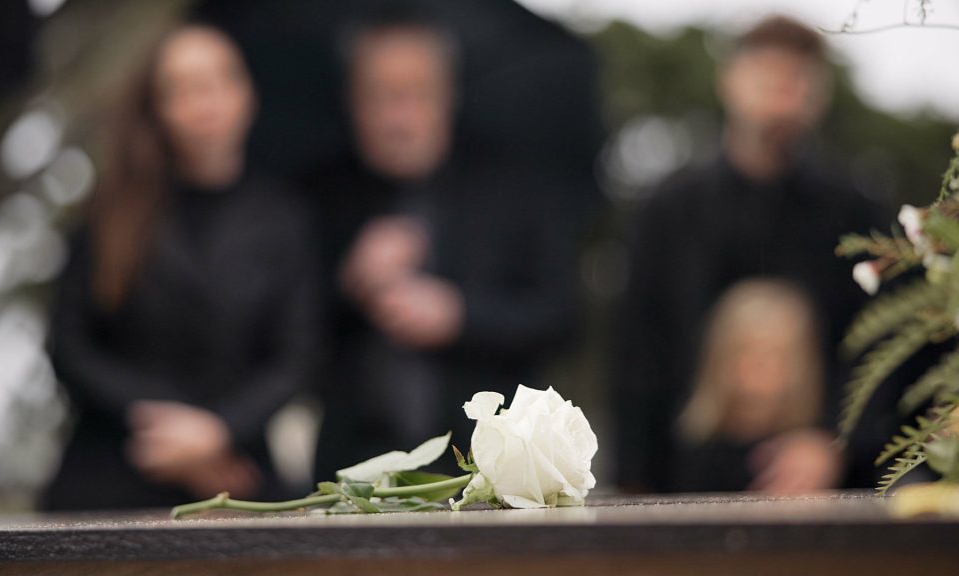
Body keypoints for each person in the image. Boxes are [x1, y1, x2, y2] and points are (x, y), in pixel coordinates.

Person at [43, 24, 319, 510]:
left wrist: (217, 429)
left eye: (219, 81)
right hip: (112, 467)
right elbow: (68, 344)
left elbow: (296, 356)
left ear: (247, 94)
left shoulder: (283, 219)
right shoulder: (110, 211)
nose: (204, 102)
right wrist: (162, 422)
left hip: (234, 474)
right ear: (158, 108)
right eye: (183, 88)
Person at [613, 15, 885, 494]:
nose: (781, 96)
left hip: (824, 487)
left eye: (796, 80)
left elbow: (882, 350)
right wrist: (635, 480)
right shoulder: (666, 213)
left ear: (818, 94)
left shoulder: (857, 214)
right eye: (767, 78)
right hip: (683, 483)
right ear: (730, 81)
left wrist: (835, 443)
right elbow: (637, 355)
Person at [310, 8, 580, 478]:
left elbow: (562, 317)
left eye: (414, 95)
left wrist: (460, 314)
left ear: (447, 96)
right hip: (353, 467)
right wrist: (348, 280)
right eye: (380, 97)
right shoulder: (320, 195)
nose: (398, 118)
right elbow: (282, 341)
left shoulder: (513, 189)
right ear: (351, 101)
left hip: (486, 466)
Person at [671, 279, 825, 493]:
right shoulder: (692, 454)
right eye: (745, 352)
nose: (758, 367)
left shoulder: (810, 457)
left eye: (774, 355)